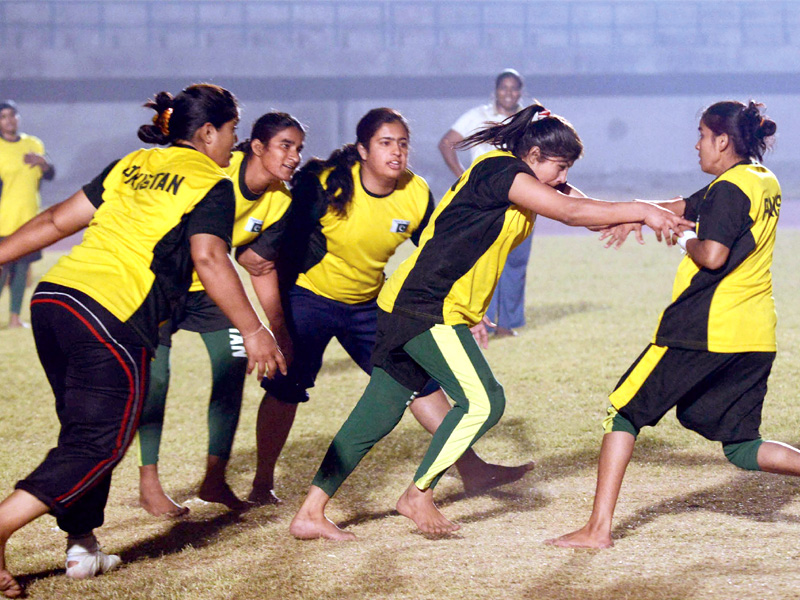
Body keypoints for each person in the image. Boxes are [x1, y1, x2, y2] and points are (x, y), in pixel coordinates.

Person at [289, 103, 691, 541]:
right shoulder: (498, 171)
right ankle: (417, 495)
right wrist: (639, 212)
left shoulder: (530, 179)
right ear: (533, 154)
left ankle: (310, 513)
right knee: (484, 402)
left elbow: (588, 208)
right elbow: (572, 213)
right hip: (426, 306)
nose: (561, 177)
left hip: (411, 305)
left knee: (375, 413)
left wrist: (656, 212)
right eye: (558, 167)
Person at [0, 83, 285, 598]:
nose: (234, 145)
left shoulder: (130, 164)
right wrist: (254, 329)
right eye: (233, 133)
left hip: (57, 300)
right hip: (111, 315)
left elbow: (55, 220)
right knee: (98, 442)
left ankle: (82, 546)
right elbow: (210, 259)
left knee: (85, 434)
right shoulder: (209, 180)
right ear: (206, 133)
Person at [245, 107, 534, 505]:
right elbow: (285, 252)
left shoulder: (414, 192)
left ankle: (472, 469)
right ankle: (262, 483)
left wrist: (465, 308)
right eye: (385, 143)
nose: (396, 152)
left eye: (402, 144)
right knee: (286, 386)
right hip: (310, 299)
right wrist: (278, 325)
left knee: (419, 381)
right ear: (363, 149)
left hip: (369, 304)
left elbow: (440, 252)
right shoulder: (328, 184)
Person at [547, 100, 799, 550]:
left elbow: (712, 255)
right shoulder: (761, 181)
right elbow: (677, 205)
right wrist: (630, 214)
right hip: (754, 333)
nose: (697, 144)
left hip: (704, 329)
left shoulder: (729, 190)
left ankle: (597, 530)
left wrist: (681, 236)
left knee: (622, 413)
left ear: (723, 140)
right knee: (741, 445)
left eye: (702, 135)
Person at [137, 112, 305, 517]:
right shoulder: (217, 170)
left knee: (232, 367)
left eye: (299, 148)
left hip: (212, 294)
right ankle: (149, 484)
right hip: (160, 286)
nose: (295, 156)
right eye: (286, 145)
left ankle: (215, 478)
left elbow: (259, 265)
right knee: (156, 379)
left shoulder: (280, 199)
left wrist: (276, 330)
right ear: (258, 147)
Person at [439, 68, 530, 338]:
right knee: (482, 258)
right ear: (496, 89)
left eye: (514, 88)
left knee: (515, 261)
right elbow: (447, 143)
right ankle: (480, 319)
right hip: (485, 199)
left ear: (520, 92)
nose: (509, 93)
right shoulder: (478, 116)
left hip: (521, 196)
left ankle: (507, 324)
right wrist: (463, 177)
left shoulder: (529, 119)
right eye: (504, 87)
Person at [0, 100, 54, 328]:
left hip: (29, 218)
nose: (9, 120)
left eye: (12, 115)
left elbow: (49, 174)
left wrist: (44, 164)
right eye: (3, 116)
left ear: (18, 118)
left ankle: (14, 319)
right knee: (2, 270)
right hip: (3, 220)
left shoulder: (34, 143)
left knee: (22, 270)